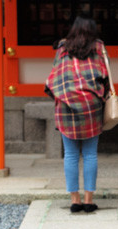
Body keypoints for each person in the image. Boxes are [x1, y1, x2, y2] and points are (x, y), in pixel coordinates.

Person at [44, 16, 111, 212]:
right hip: (92, 104)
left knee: (71, 155)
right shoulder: (98, 46)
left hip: (65, 104)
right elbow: (105, 74)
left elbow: (55, 75)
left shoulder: (63, 47)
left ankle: (75, 200)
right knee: (90, 154)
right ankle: (89, 200)